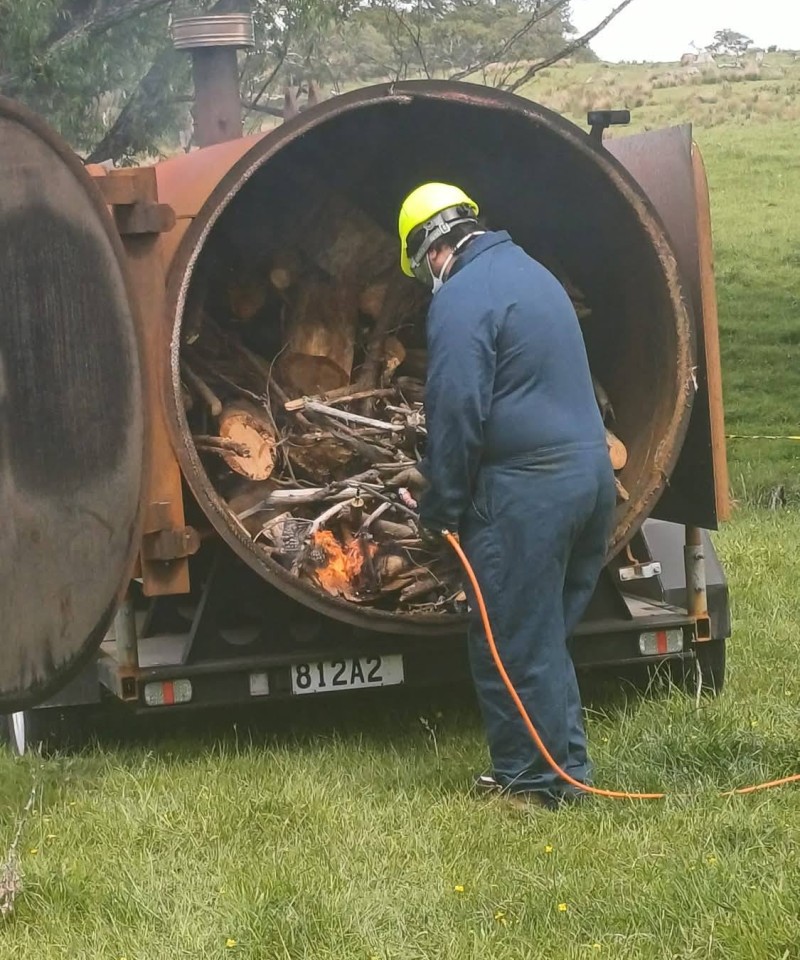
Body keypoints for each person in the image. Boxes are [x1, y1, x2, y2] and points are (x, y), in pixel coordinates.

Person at [396, 182, 615, 809]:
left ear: (430, 251)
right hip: (590, 480)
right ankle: (565, 772)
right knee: (542, 637)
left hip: (529, 491)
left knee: (510, 638)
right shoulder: (532, 272)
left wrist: (441, 509)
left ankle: (530, 784)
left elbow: (457, 411)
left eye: (419, 270)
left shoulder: (463, 296)